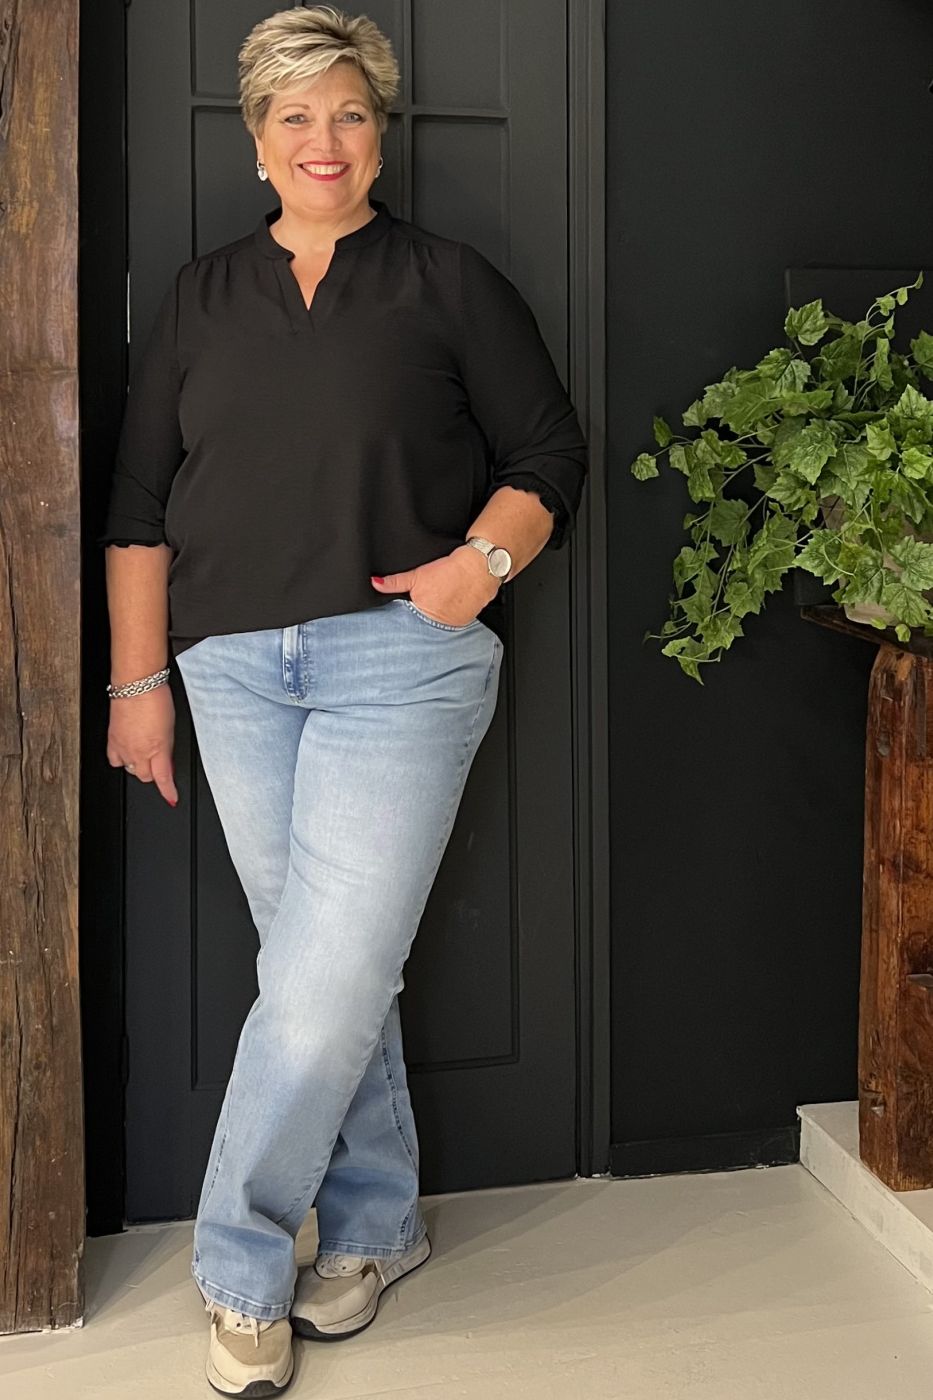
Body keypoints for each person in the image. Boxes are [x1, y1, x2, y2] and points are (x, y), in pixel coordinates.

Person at [98, 5, 587, 1395]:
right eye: (297, 116)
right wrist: (139, 683)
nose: (326, 139)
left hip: (399, 667)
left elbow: (549, 450)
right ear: (257, 143)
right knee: (328, 972)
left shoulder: (447, 282)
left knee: (320, 986)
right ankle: (375, 1229)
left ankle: (239, 1268)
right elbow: (138, 505)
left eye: (350, 112)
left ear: (380, 134)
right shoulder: (198, 297)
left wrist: (478, 569)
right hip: (230, 671)